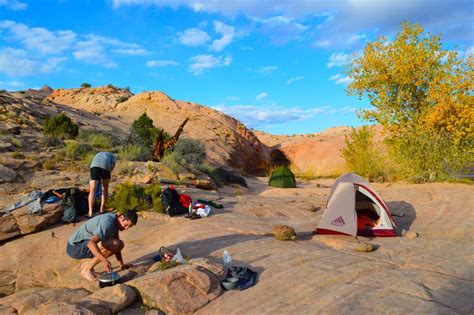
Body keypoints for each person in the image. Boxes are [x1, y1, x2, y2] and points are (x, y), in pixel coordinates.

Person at [66, 210, 138, 282]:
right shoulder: (108, 222)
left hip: (83, 245)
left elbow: (117, 247)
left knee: (118, 244)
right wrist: (104, 260)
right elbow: (91, 243)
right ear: (122, 217)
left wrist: (122, 265)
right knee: (115, 244)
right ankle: (86, 269)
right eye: (127, 225)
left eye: (130, 226)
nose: (127, 228)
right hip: (75, 247)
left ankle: (87, 265)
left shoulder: (116, 224)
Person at [88, 152, 116, 218]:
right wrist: (108, 173)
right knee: (105, 188)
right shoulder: (112, 155)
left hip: (94, 166)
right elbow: (112, 165)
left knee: (92, 190)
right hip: (105, 166)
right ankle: (102, 209)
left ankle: (90, 212)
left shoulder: (98, 154)